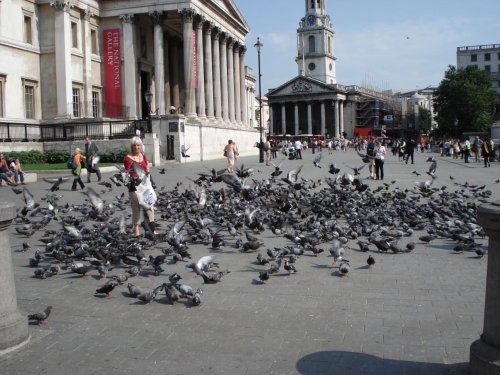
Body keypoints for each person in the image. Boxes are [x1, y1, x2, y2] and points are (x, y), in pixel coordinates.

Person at [124, 136, 155, 236]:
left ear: (140, 146)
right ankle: (136, 229)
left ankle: (152, 228)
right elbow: (127, 173)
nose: (136, 147)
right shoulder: (128, 158)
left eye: (138, 145)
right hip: (135, 185)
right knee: (136, 207)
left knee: (150, 205)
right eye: (134, 146)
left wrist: (148, 175)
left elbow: (146, 167)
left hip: (145, 183)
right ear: (131, 147)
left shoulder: (143, 155)